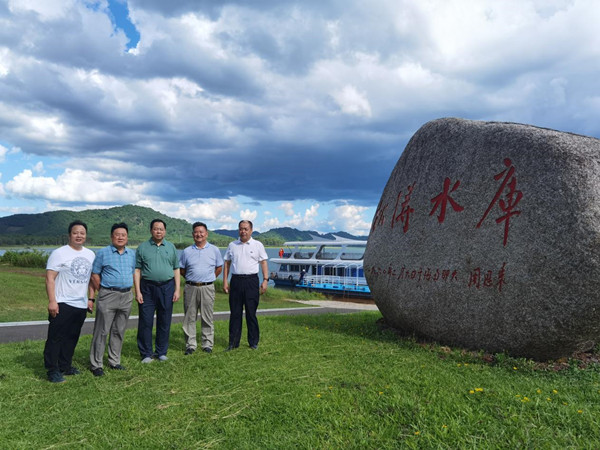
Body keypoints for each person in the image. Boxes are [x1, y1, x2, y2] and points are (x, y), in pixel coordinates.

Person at [43, 220, 95, 383]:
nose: (79, 235)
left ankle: (65, 365)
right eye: (75, 232)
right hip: (62, 302)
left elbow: (91, 279)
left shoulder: (90, 254)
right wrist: (52, 301)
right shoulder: (59, 253)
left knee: (72, 336)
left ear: (86, 236)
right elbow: (50, 279)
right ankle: (52, 370)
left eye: (82, 233)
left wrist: (91, 298)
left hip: (81, 304)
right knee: (56, 337)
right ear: (69, 235)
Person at [89, 223, 136, 376]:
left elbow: (133, 272)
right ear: (111, 237)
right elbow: (95, 274)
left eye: (123, 235)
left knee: (119, 330)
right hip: (108, 295)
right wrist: (102, 290)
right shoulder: (103, 253)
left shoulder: (131, 254)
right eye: (117, 234)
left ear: (127, 237)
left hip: (126, 295)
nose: (120, 237)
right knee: (102, 330)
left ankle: (114, 361)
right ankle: (96, 364)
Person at [134, 219, 180, 363]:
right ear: (151, 231)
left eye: (161, 229)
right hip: (147, 288)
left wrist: (177, 289)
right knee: (146, 321)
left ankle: (161, 352)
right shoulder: (143, 247)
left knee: (164, 320)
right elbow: (137, 270)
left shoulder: (171, 247)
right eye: (155, 229)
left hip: (167, 287)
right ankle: (146, 353)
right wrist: (137, 291)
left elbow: (176, 269)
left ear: (165, 231)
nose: (158, 231)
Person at [223, 220, 269, 351]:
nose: (243, 231)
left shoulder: (258, 245)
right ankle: (233, 343)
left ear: (251, 230)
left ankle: (253, 342)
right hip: (236, 281)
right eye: (241, 229)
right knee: (235, 313)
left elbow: (263, 263)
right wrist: (225, 281)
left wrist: (265, 280)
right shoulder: (232, 245)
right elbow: (227, 263)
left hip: (251, 281)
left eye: (246, 229)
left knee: (251, 313)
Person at [179, 222, 224, 355]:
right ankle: (190, 345)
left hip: (207, 287)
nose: (199, 234)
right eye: (196, 232)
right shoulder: (187, 251)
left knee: (207, 316)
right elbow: (182, 270)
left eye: (201, 232)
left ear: (206, 234)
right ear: (193, 234)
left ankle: (207, 344)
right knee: (189, 317)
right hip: (191, 287)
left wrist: (209, 278)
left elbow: (219, 268)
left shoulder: (214, 250)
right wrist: (192, 278)